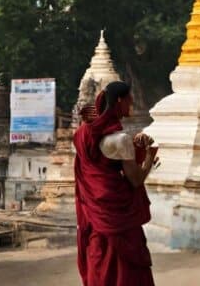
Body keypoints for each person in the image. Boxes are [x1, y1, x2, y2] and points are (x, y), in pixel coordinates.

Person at [74, 81, 159, 286]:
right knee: (127, 271)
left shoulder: (84, 134)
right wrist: (148, 157)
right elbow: (136, 179)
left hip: (96, 214)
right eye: (130, 99)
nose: (133, 102)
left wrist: (134, 148)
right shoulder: (120, 140)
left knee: (100, 263)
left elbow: (100, 166)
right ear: (120, 100)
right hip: (120, 218)